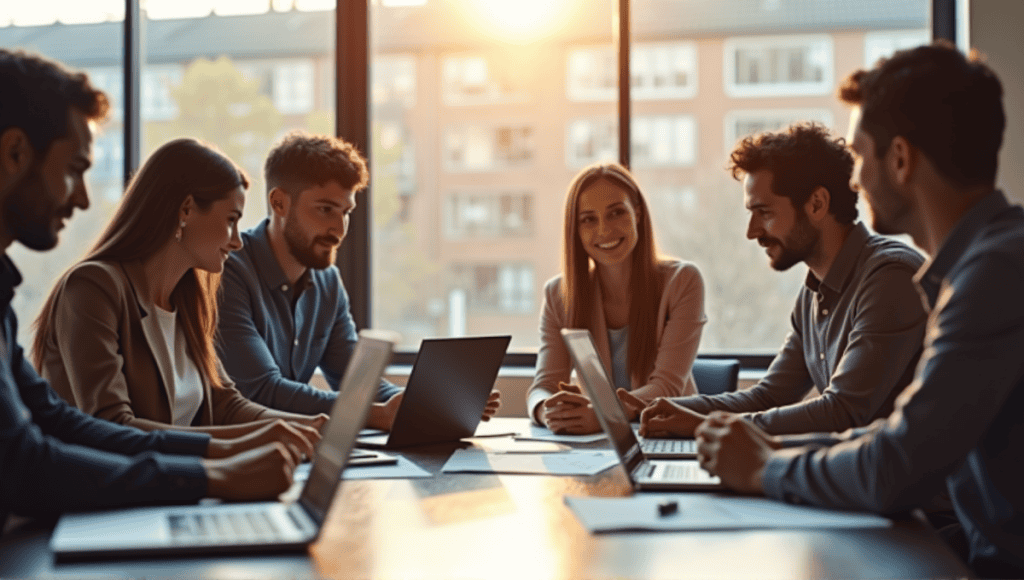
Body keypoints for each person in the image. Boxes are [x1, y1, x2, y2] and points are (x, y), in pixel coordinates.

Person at [694, 42, 1024, 578]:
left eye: (859, 155)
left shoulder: (994, 277)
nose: (855, 179)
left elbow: (898, 462)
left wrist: (765, 465)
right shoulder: (982, 265)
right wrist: (764, 450)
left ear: (899, 159)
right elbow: (891, 437)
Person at [0, 48, 301, 534]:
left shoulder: (186, 296)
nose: (82, 197)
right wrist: (214, 473)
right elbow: (26, 463)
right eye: (75, 169)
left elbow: (56, 421)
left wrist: (238, 448)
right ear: (15, 153)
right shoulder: (93, 287)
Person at [630, 123, 927, 437]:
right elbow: (769, 396)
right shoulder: (814, 292)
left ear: (817, 204)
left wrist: (705, 425)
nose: (752, 232)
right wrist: (674, 407)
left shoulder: (890, 277)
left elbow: (844, 411)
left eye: (764, 212)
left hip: (906, 482)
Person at [33, 137, 327, 442]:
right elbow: (114, 425)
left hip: (177, 483)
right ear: (186, 209)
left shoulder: (187, 299)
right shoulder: (92, 288)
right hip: (104, 487)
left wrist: (316, 427)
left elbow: (226, 405)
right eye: (231, 220)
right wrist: (251, 441)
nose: (237, 241)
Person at [216, 132, 499, 430]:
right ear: (279, 203)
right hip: (238, 452)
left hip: (294, 446)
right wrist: (380, 414)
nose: (338, 229)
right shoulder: (229, 273)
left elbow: (357, 382)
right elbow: (261, 392)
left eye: (346, 212)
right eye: (325, 209)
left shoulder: (327, 281)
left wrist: (427, 403)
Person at [527, 163, 706, 434]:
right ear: (575, 229)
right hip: (596, 443)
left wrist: (603, 416)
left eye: (616, 213)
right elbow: (543, 386)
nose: (603, 230)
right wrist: (547, 410)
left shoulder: (683, 281)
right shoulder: (558, 295)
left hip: (666, 434)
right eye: (589, 219)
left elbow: (666, 387)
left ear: (637, 213)